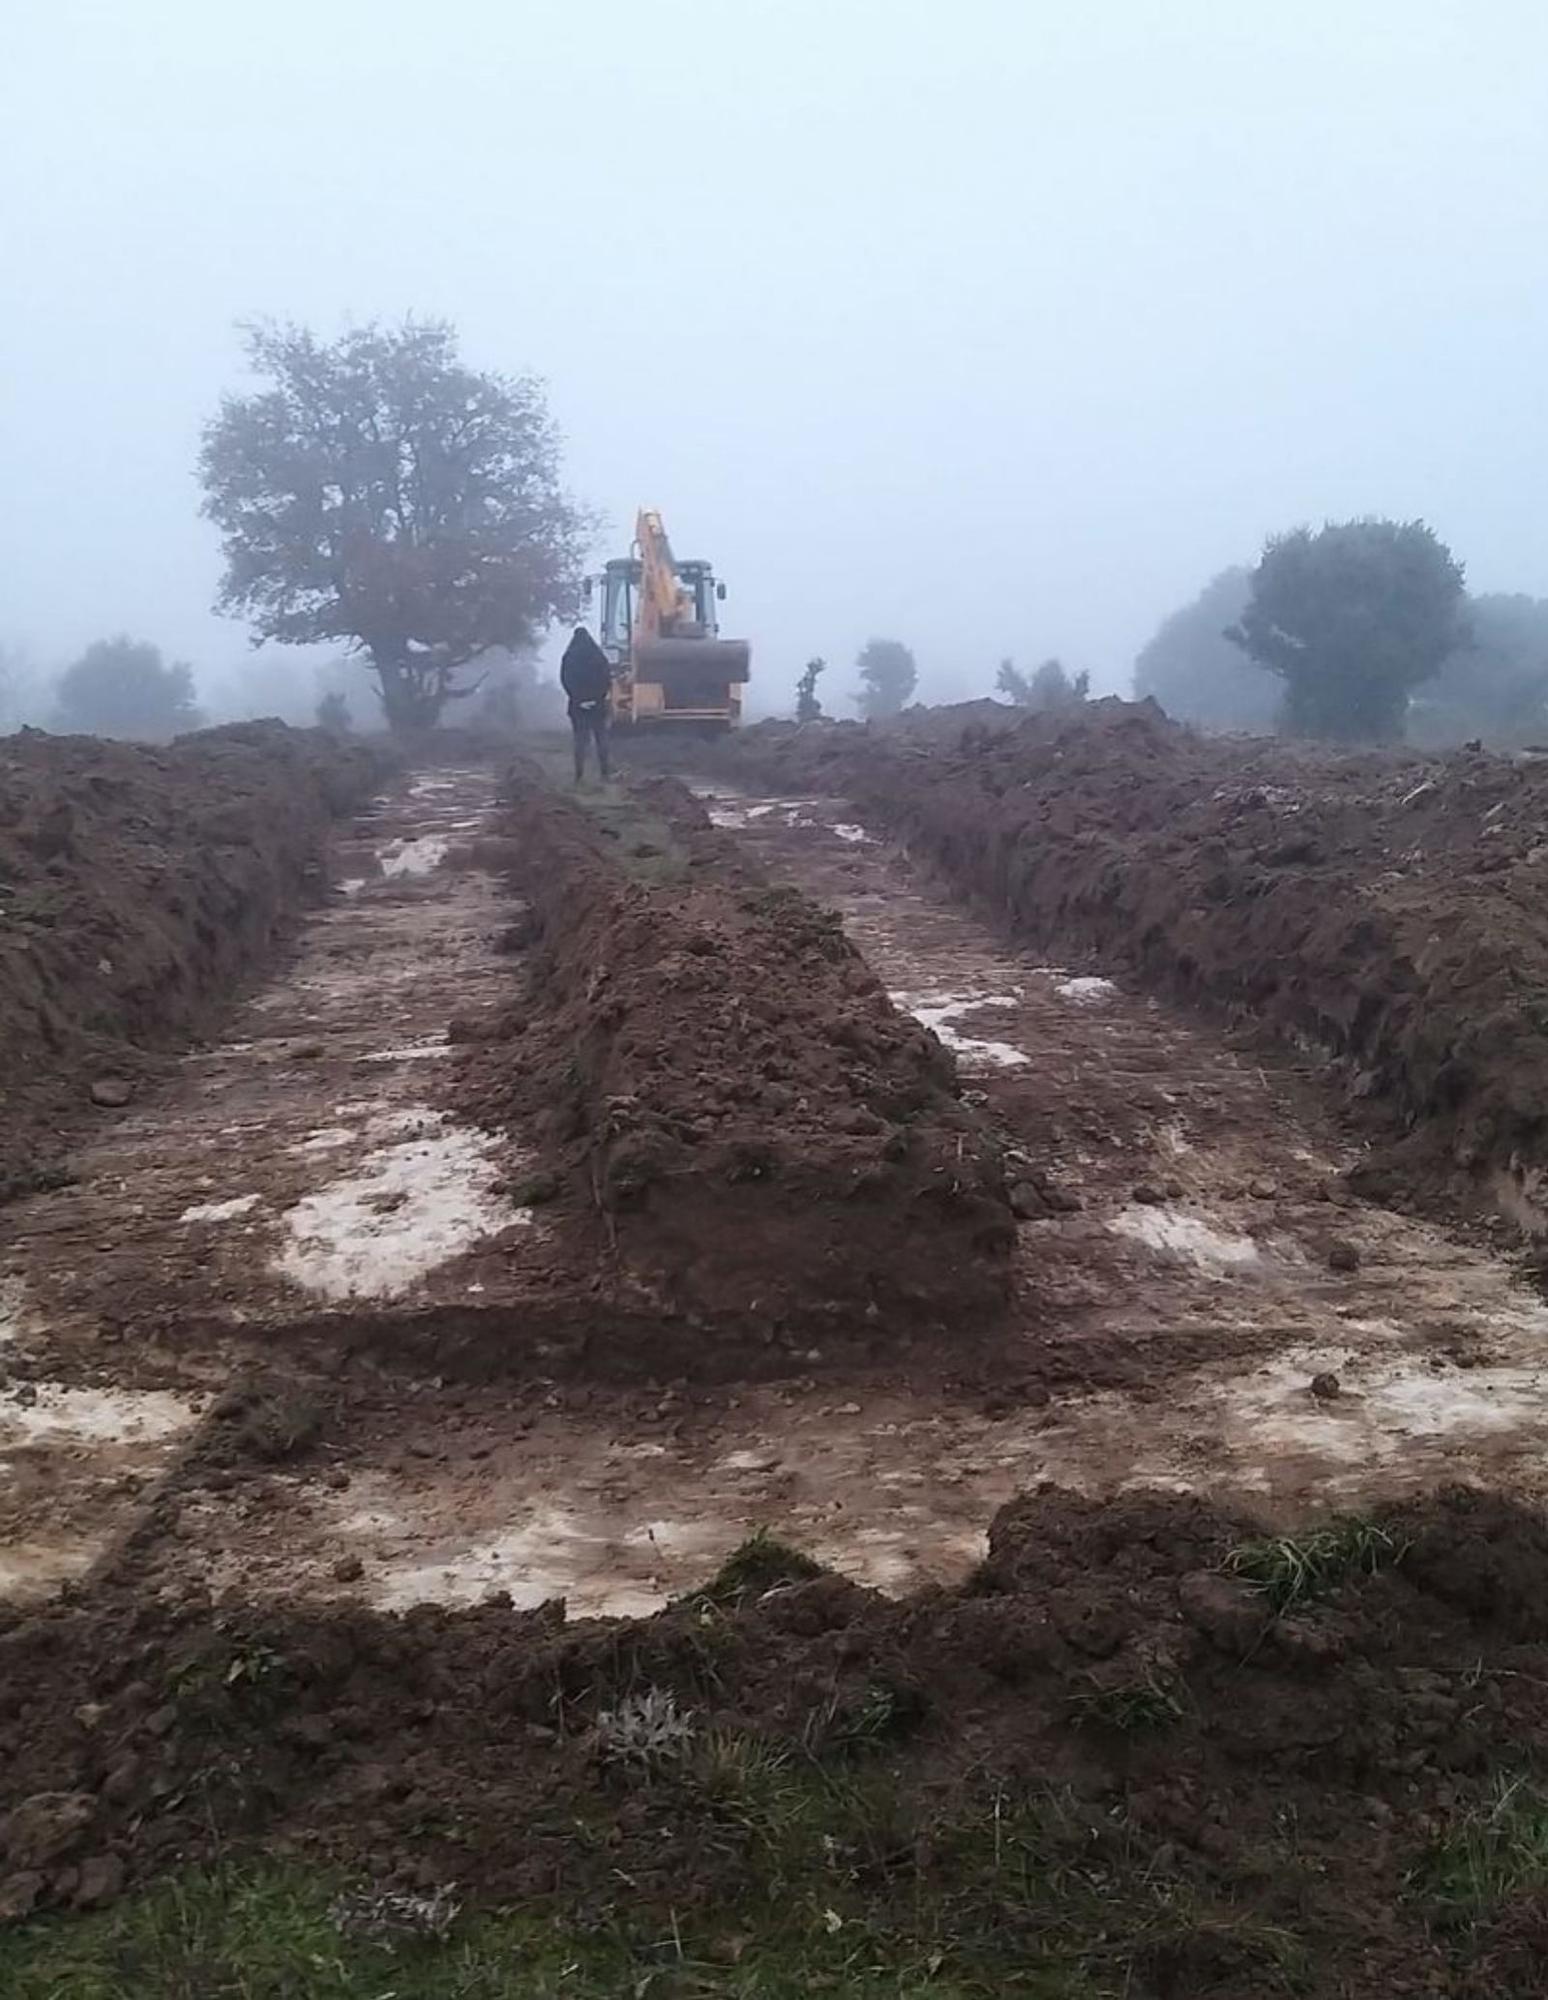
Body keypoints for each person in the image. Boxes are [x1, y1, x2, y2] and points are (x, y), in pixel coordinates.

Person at [560, 625, 613, 784]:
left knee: (580, 740)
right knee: (601, 739)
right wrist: (598, 698)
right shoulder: (598, 656)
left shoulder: (569, 656)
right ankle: (604, 774)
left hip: (578, 706)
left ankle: (579, 775)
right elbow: (607, 679)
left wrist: (577, 698)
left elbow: (565, 680)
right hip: (598, 705)